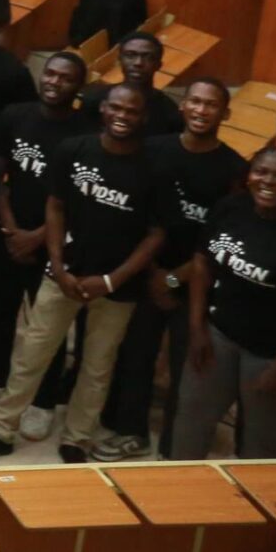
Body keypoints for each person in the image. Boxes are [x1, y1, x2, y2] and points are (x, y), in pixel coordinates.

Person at [0, 83, 166, 466]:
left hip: (117, 286)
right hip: (64, 274)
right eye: (116, 108)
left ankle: (77, 438)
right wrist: (57, 265)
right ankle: (1, 430)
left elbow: (156, 234)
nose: (122, 116)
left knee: (97, 365)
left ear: (144, 117)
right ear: (103, 109)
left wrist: (111, 280)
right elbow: (56, 207)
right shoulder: (74, 150)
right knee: (32, 353)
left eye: (132, 111)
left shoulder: (154, 167)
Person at [170, 146, 276, 458]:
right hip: (221, 334)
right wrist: (197, 328)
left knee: (260, 443)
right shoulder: (231, 208)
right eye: (261, 171)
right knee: (191, 420)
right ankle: (178, 484)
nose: (268, 181)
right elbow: (202, 263)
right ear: (249, 176)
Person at [102, 77, 240, 458]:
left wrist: (175, 278)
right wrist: (153, 274)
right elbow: (134, 215)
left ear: (225, 114)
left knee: (185, 370)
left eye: (210, 104)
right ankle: (130, 432)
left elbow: (220, 242)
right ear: (182, 106)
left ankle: (172, 450)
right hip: (146, 272)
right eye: (195, 101)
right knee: (135, 356)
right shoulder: (151, 150)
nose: (201, 110)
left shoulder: (234, 170)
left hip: (196, 283)